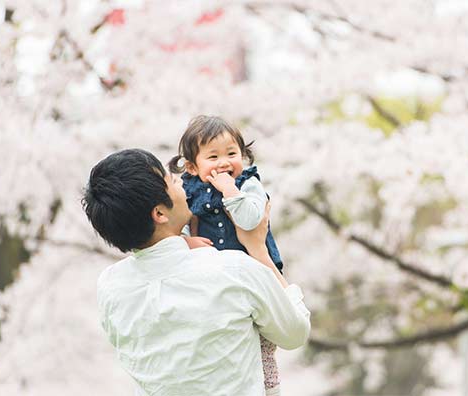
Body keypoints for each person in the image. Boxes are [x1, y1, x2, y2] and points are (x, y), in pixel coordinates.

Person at [82, 148, 310, 396]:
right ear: (159, 213)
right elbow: (295, 333)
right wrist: (259, 251)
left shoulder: (111, 287)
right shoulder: (233, 270)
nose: (180, 182)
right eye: (171, 181)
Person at [168, 115, 284, 393]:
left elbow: (249, 220)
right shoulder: (189, 192)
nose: (224, 163)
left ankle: (269, 388)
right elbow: (177, 229)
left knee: (264, 336)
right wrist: (189, 242)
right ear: (193, 168)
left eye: (231, 154)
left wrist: (230, 190)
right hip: (216, 278)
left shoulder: (248, 184)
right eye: (213, 157)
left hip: (256, 270)